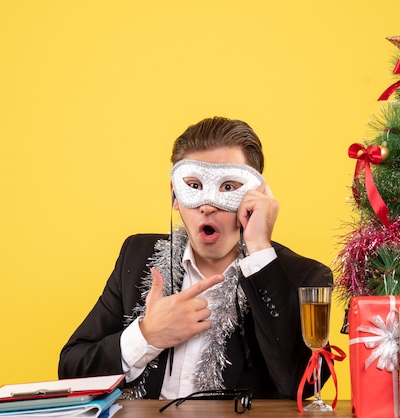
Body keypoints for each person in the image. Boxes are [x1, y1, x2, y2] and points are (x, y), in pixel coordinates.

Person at [58, 116, 333, 400]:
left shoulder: (303, 277)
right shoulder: (136, 257)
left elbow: (302, 386)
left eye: (228, 187)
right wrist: (146, 336)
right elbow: (71, 369)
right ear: (175, 196)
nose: (207, 205)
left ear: (256, 197)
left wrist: (259, 249)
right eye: (194, 185)